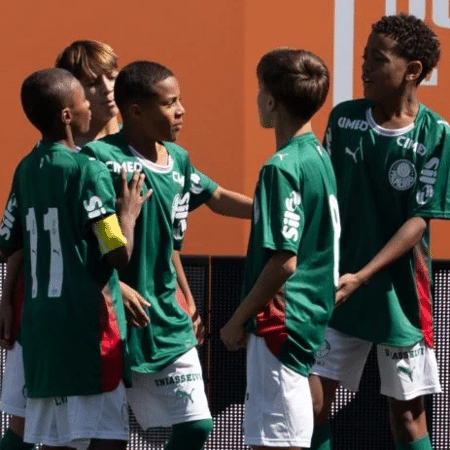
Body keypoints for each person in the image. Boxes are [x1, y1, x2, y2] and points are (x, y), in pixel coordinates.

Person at [309, 14, 448, 450]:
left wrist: (365, 275)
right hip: (338, 288)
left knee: (407, 417)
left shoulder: (436, 133)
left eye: (378, 58)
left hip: (398, 296)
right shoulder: (344, 119)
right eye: (364, 56)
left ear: (413, 70)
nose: (365, 66)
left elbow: (418, 220)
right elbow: (326, 199)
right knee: (311, 406)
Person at [0, 67, 150, 449]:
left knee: (55, 442)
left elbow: (8, 241)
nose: (90, 107)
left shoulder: (26, 168)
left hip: (41, 333)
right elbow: (117, 253)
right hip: (87, 332)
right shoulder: (88, 170)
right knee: (107, 441)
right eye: (84, 100)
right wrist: (128, 214)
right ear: (68, 115)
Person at [81, 60, 214, 450]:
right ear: (136, 111)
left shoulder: (179, 159)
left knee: (197, 426)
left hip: (165, 320)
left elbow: (172, 243)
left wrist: (186, 297)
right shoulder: (96, 159)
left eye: (179, 100)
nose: (181, 110)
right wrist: (115, 285)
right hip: (110, 320)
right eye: (170, 103)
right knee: (106, 442)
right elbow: (92, 241)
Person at [220, 48, 340, 450]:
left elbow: (284, 262)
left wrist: (237, 320)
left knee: (275, 443)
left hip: (280, 323)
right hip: (307, 319)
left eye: (259, 89)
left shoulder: (281, 166)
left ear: (270, 101)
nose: (257, 97)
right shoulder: (318, 156)